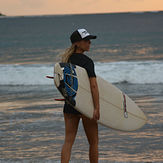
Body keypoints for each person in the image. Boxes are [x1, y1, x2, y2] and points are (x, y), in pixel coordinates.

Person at [61, 28, 100, 163]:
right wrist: (96, 108)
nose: (89, 43)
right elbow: (93, 86)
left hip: (70, 105)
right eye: (86, 40)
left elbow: (63, 84)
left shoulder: (66, 61)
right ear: (77, 43)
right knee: (93, 143)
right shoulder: (87, 62)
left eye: (89, 40)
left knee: (68, 142)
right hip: (86, 106)